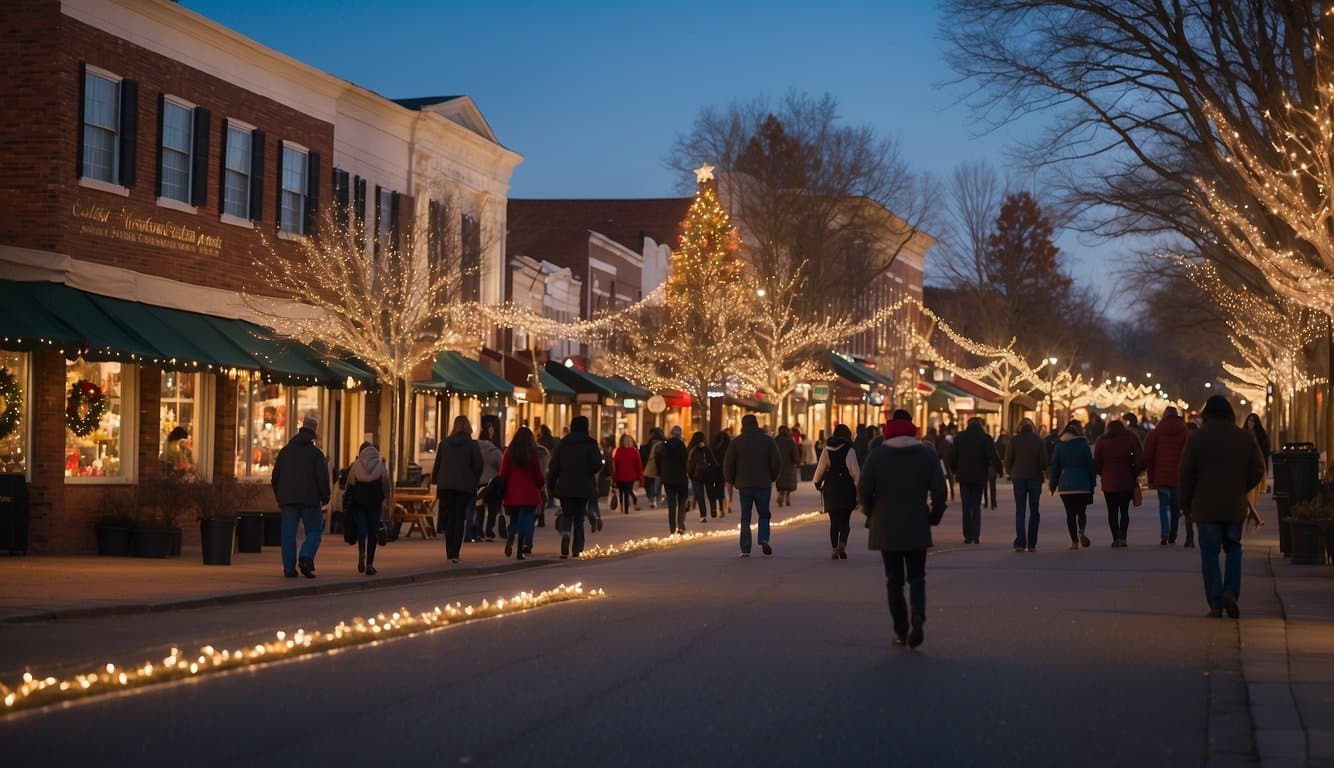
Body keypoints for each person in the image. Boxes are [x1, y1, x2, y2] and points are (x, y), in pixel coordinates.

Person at [859, 410, 947, 649]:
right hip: (917, 523)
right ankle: (917, 614)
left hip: (886, 526)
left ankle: (900, 628)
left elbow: (864, 490)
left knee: (894, 579)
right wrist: (934, 516)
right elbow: (940, 490)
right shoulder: (926, 455)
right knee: (917, 576)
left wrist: (870, 512)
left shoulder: (876, 457)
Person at [1179, 395, 1266, 618]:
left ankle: (1215, 602)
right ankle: (1231, 592)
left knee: (1209, 553)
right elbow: (1258, 469)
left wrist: (1185, 504)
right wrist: (1242, 486)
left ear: (1207, 414)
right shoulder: (1244, 438)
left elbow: (1186, 474)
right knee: (1233, 548)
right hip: (1234, 505)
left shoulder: (1197, 438)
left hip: (1205, 506)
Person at [271, 415, 331, 578]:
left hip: (288, 500)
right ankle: (306, 556)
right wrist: (325, 495)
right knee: (314, 530)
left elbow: (275, 477)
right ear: (313, 434)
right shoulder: (316, 454)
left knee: (288, 534)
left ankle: (289, 568)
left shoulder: (285, 452)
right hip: (310, 500)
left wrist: (279, 496)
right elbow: (322, 477)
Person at [723, 413, 781, 557]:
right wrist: (772, 477)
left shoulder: (736, 442)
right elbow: (776, 461)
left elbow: (728, 463)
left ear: (743, 425)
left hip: (744, 484)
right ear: (756, 424)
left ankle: (745, 548)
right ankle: (763, 538)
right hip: (763, 483)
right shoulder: (768, 441)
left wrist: (731, 480)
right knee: (764, 513)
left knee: (745, 516)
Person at [546, 415, 603, 559]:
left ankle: (565, 533)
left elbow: (554, 466)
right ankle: (577, 549)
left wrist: (551, 485)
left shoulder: (563, 444)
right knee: (579, 518)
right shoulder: (590, 443)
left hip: (565, 486)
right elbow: (597, 465)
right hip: (584, 487)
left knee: (567, 513)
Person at [432, 415, 483, 564]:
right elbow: (478, 465)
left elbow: (438, 463)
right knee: (459, 518)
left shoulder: (444, 443)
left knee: (450, 517)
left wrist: (437, 480)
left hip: (446, 485)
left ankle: (449, 552)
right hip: (464, 486)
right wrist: (474, 479)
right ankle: (455, 553)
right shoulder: (472, 445)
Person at [947, 417, 1001, 544]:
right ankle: (976, 535)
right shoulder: (985, 438)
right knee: (976, 506)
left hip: (964, 476)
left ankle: (967, 535)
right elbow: (993, 455)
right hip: (979, 476)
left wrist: (955, 470)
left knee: (966, 506)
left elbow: (952, 457)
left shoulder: (960, 437)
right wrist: (1000, 470)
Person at [1093, 415, 1143, 548]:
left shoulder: (1102, 441)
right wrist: (1135, 473)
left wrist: (1102, 472)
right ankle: (1123, 537)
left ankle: (1115, 537)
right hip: (1126, 479)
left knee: (1112, 511)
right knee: (1124, 511)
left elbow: (1097, 461)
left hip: (1109, 481)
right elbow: (1138, 459)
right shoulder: (1130, 439)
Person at [1144, 406, 1190, 547]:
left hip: (1161, 475)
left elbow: (1149, 457)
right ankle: (1173, 535)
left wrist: (1151, 478)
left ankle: (1164, 531)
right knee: (1176, 507)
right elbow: (1189, 455)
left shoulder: (1156, 432)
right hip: (1178, 476)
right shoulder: (1185, 432)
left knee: (1163, 506)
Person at [813, 422, 859, 559]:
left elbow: (820, 469)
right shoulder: (850, 450)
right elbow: (856, 472)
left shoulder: (827, 450)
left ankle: (834, 549)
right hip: (847, 488)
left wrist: (817, 482)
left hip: (831, 488)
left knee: (834, 521)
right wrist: (858, 488)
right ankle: (842, 544)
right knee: (845, 520)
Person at [1048, 420, 1096, 549]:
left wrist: (1052, 486)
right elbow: (1090, 466)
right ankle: (1082, 531)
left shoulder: (1060, 446)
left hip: (1066, 485)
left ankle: (1074, 542)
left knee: (1070, 514)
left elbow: (1055, 467)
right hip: (1082, 484)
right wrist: (1093, 483)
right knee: (1081, 511)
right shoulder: (1084, 444)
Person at [344, 441, 390, 575]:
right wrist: (387, 502)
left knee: (362, 529)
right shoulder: (381, 466)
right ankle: (370, 563)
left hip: (358, 504)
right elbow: (386, 486)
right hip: (375, 504)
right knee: (373, 533)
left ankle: (361, 551)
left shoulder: (356, 466)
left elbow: (349, 485)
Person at [500, 427, 545, 561]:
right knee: (525, 521)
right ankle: (520, 551)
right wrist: (541, 485)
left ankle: (510, 537)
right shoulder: (532, 453)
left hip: (512, 493)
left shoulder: (509, 452)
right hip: (529, 494)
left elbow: (503, 473)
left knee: (514, 519)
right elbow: (539, 475)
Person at [1004, 418, 1046, 552]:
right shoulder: (1039, 441)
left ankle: (1020, 542)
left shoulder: (1014, 440)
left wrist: (1011, 472)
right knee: (1034, 511)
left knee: (1020, 510)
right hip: (1035, 477)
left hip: (1019, 478)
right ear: (1032, 428)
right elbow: (1044, 462)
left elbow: (1007, 459)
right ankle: (1032, 543)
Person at [655, 425, 690, 534]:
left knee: (672, 504)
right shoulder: (682, 446)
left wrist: (660, 473)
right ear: (680, 434)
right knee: (682, 502)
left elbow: (658, 461)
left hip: (668, 478)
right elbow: (686, 462)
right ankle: (681, 525)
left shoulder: (663, 446)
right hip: (681, 478)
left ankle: (672, 527)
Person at [475, 421, 504, 542]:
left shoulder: (474, 448)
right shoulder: (494, 450)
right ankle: (489, 529)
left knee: (479, 507)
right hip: (491, 482)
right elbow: (500, 466)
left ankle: (478, 530)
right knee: (492, 508)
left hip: (478, 482)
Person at [687, 430, 721, 522]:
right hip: (708, 475)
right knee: (711, 493)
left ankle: (703, 515)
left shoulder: (691, 450)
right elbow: (715, 463)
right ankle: (713, 510)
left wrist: (690, 475)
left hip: (696, 476)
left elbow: (689, 464)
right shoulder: (707, 449)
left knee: (700, 496)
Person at [1242, 413, 1271, 510]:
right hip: (1246, 465)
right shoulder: (1243, 434)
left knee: (1255, 489)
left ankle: (1252, 506)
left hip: (1257, 464)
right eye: (1249, 420)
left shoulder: (1261, 435)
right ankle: (1250, 507)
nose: (1250, 423)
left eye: (1253, 421)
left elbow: (1265, 452)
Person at [612, 434, 643, 515]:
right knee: (627, 492)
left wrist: (614, 478)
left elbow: (615, 464)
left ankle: (622, 506)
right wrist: (640, 478)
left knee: (621, 491)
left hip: (620, 476)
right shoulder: (634, 451)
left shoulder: (618, 451)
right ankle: (626, 509)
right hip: (630, 477)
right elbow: (638, 466)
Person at [774, 425, 800, 507]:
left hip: (779, 465)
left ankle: (780, 494)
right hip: (790, 465)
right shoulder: (790, 441)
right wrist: (796, 461)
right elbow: (795, 454)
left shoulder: (775, 441)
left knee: (780, 483)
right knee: (788, 483)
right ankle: (788, 497)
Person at [641, 427, 665, 509]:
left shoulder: (648, 445)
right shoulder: (663, 444)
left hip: (649, 466)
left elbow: (643, 456)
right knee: (656, 483)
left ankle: (652, 498)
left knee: (650, 483)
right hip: (659, 467)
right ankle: (654, 498)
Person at [711, 429, 732, 516]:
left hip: (715, 470)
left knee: (716, 489)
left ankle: (717, 508)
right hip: (725, 470)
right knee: (724, 489)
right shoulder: (728, 448)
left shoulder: (713, 448)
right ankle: (725, 506)